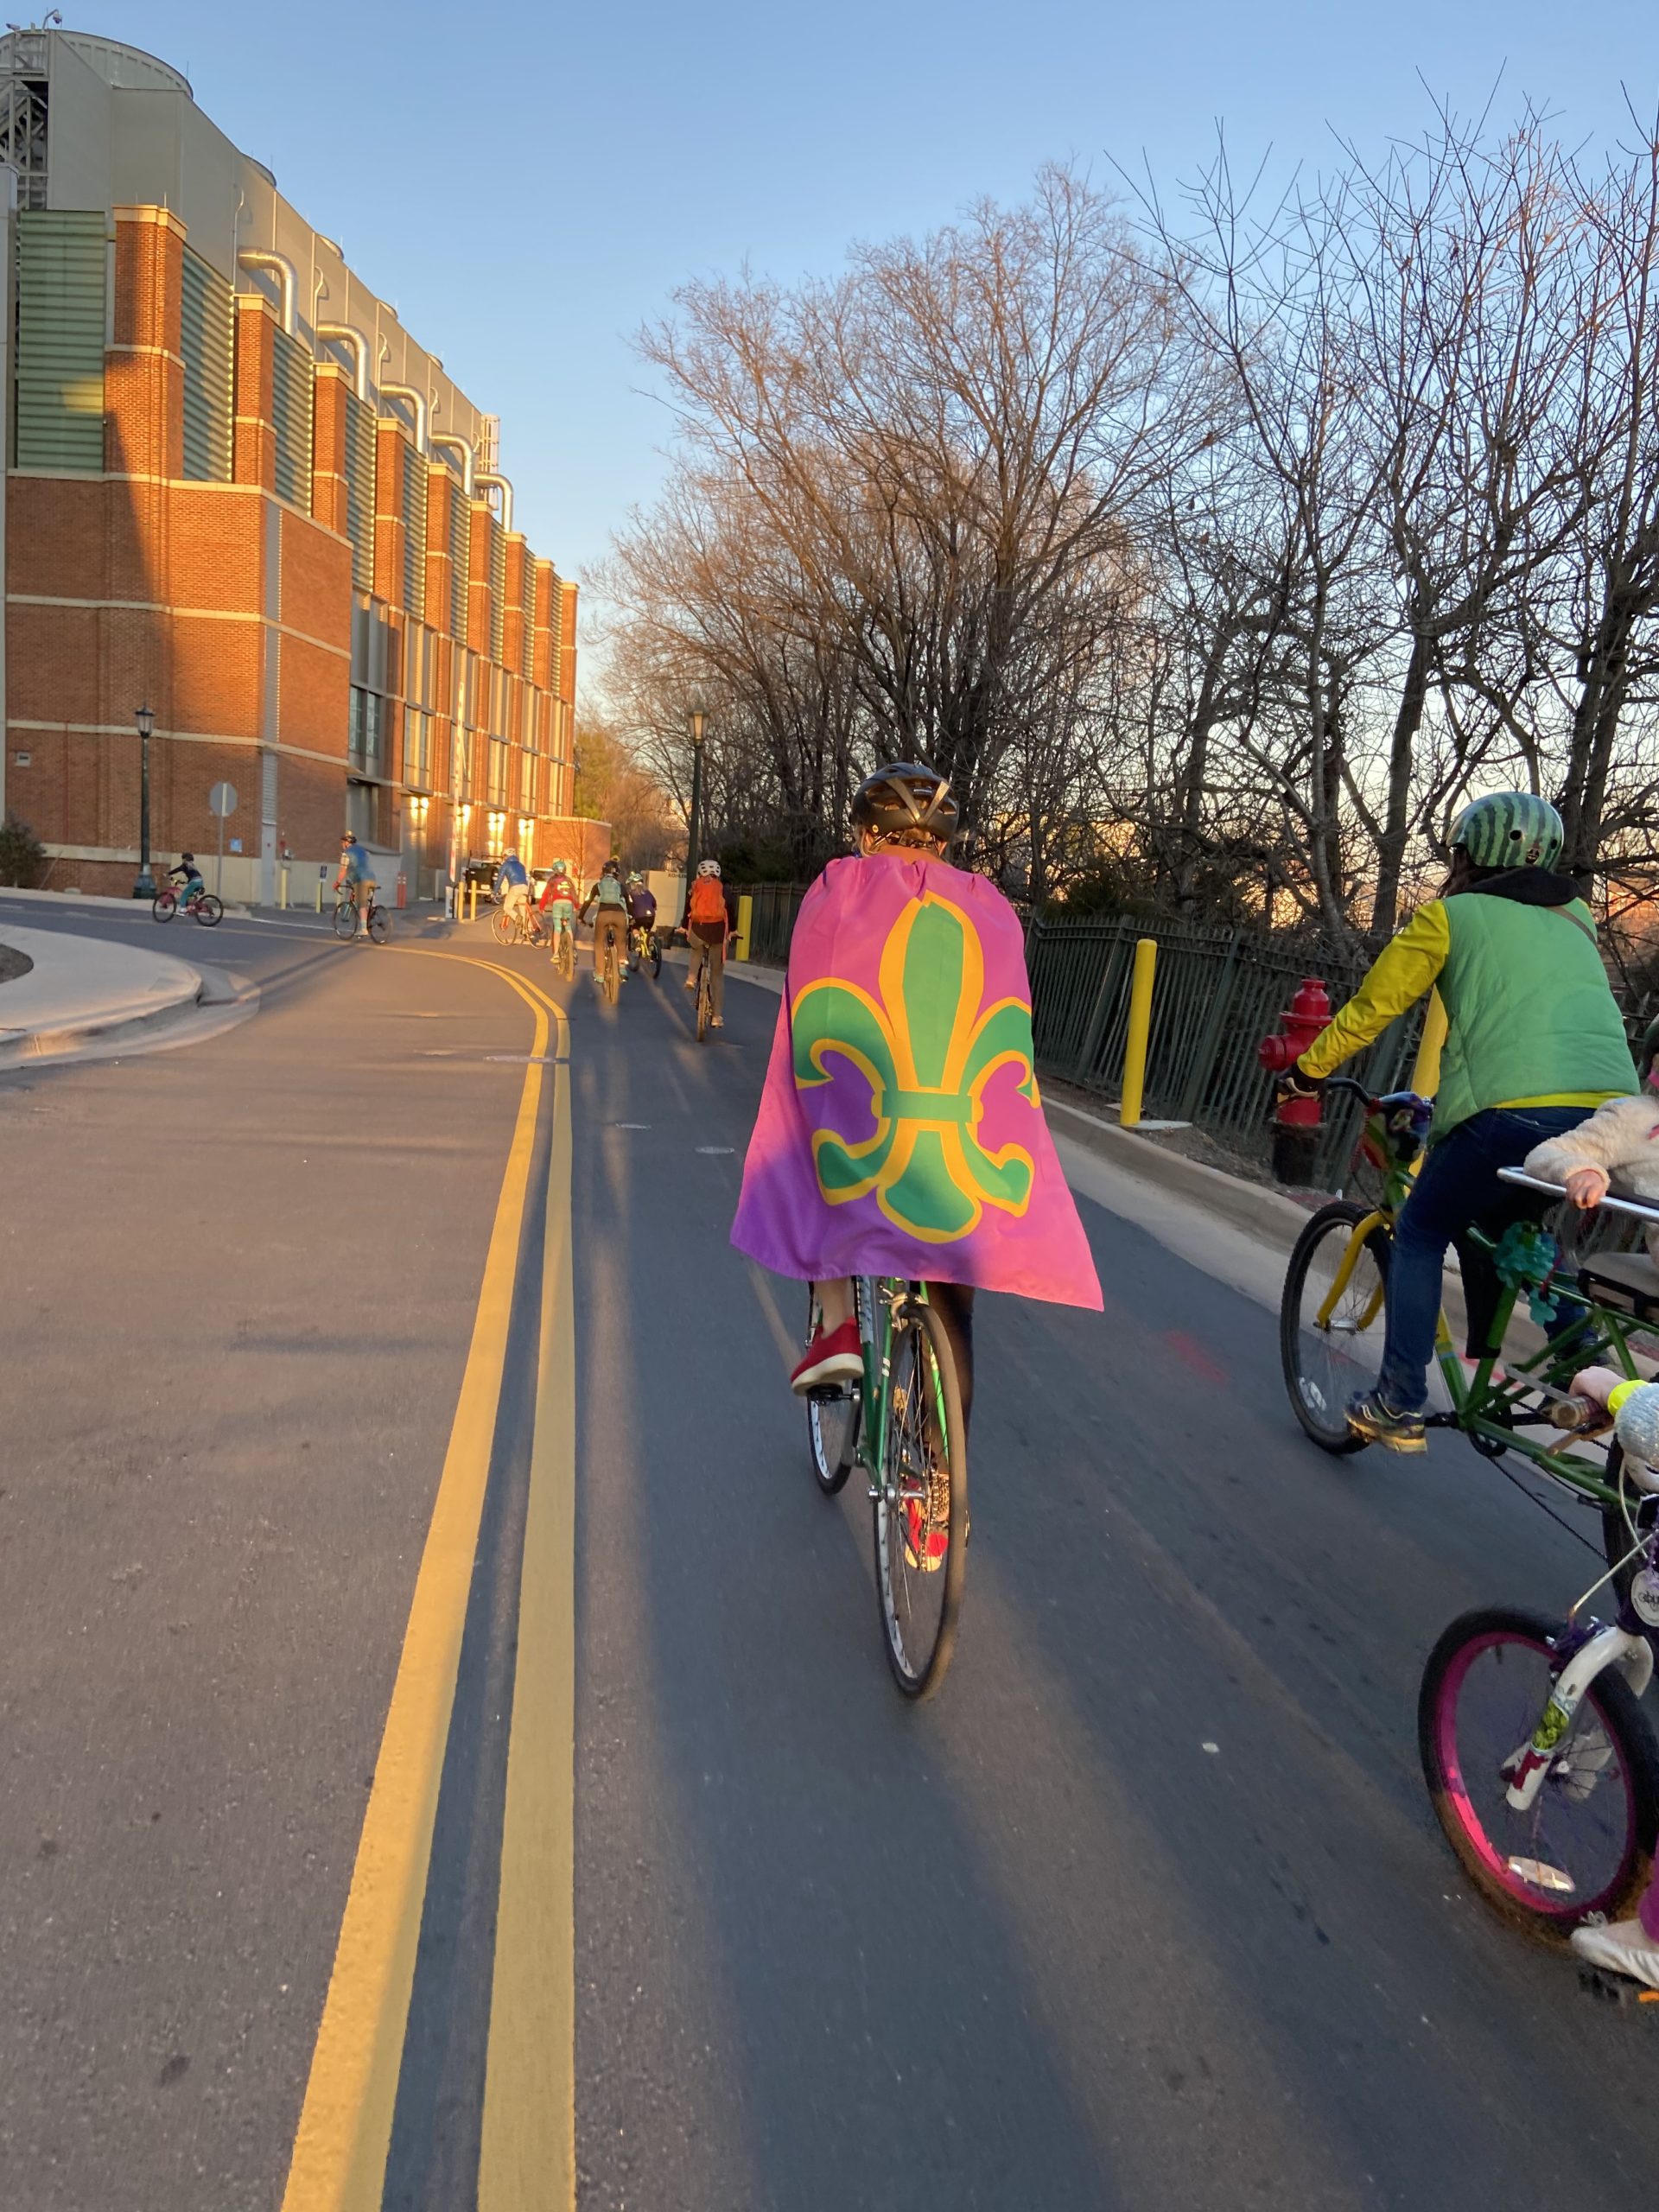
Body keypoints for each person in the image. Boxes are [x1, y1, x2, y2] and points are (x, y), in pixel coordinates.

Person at [730, 763, 1103, 1570]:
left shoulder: (839, 887)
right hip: (962, 1151)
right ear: (944, 842)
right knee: (953, 1298)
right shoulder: (992, 909)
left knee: (805, 1131)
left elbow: (811, 1016)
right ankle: (940, 1493)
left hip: (870, 1137)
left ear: (868, 834)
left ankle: (836, 1319)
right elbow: (1009, 1033)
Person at [1277, 792, 1637, 1452]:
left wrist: (1308, 1070)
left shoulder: (1450, 917)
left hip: (1514, 1112)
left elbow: (1372, 1009)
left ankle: (1398, 1400)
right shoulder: (1577, 917)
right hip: (1609, 1119)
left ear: (1470, 855)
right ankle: (1583, 1370)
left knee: (1420, 1230)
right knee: (1517, 1232)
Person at [683, 858, 729, 1027]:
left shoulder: (695, 886)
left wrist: (683, 927)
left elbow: (688, 909)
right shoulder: (723, 888)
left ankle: (691, 978)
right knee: (717, 974)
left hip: (699, 927)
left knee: (696, 949)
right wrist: (733, 931)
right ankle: (716, 1016)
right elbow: (731, 910)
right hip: (717, 931)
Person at [581, 856, 630, 982]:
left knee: (599, 943)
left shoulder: (598, 886)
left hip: (603, 915)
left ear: (604, 872)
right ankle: (622, 969)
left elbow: (587, 901)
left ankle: (600, 974)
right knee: (621, 942)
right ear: (617, 873)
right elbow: (629, 902)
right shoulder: (621, 886)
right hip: (619, 915)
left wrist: (581, 917)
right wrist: (631, 917)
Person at [335, 833, 378, 930]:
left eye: (343, 842)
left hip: (361, 880)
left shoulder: (346, 854)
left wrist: (337, 882)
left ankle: (363, 929)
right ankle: (374, 911)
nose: (342, 844)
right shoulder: (363, 851)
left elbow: (343, 870)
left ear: (347, 843)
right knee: (369, 901)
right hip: (372, 878)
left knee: (361, 904)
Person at [538, 857, 577, 963]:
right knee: (568, 927)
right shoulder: (569, 880)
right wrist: (576, 906)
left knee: (558, 928)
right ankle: (572, 951)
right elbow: (574, 894)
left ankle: (556, 954)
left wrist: (541, 907)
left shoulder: (552, 880)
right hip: (568, 904)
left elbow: (545, 895)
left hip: (557, 904)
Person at [626, 871, 658, 970]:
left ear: (633, 884)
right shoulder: (648, 892)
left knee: (634, 928)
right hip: (651, 917)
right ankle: (650, 945)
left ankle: (638, 940)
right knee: (646, 932)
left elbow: (629, 906)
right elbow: (654, 903)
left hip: (639, 918)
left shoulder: (631, 894)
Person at [493, 849, 531, 934]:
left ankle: (517, 917)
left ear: (506, 856)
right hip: (524, 887)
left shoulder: (505, 865)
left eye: (504, 856)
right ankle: (527, 931)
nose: (503, 858)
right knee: (523, 910)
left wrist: (494, 892)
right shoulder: (521, 865)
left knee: (507, 908)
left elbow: (500, 879)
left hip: (515, 888)